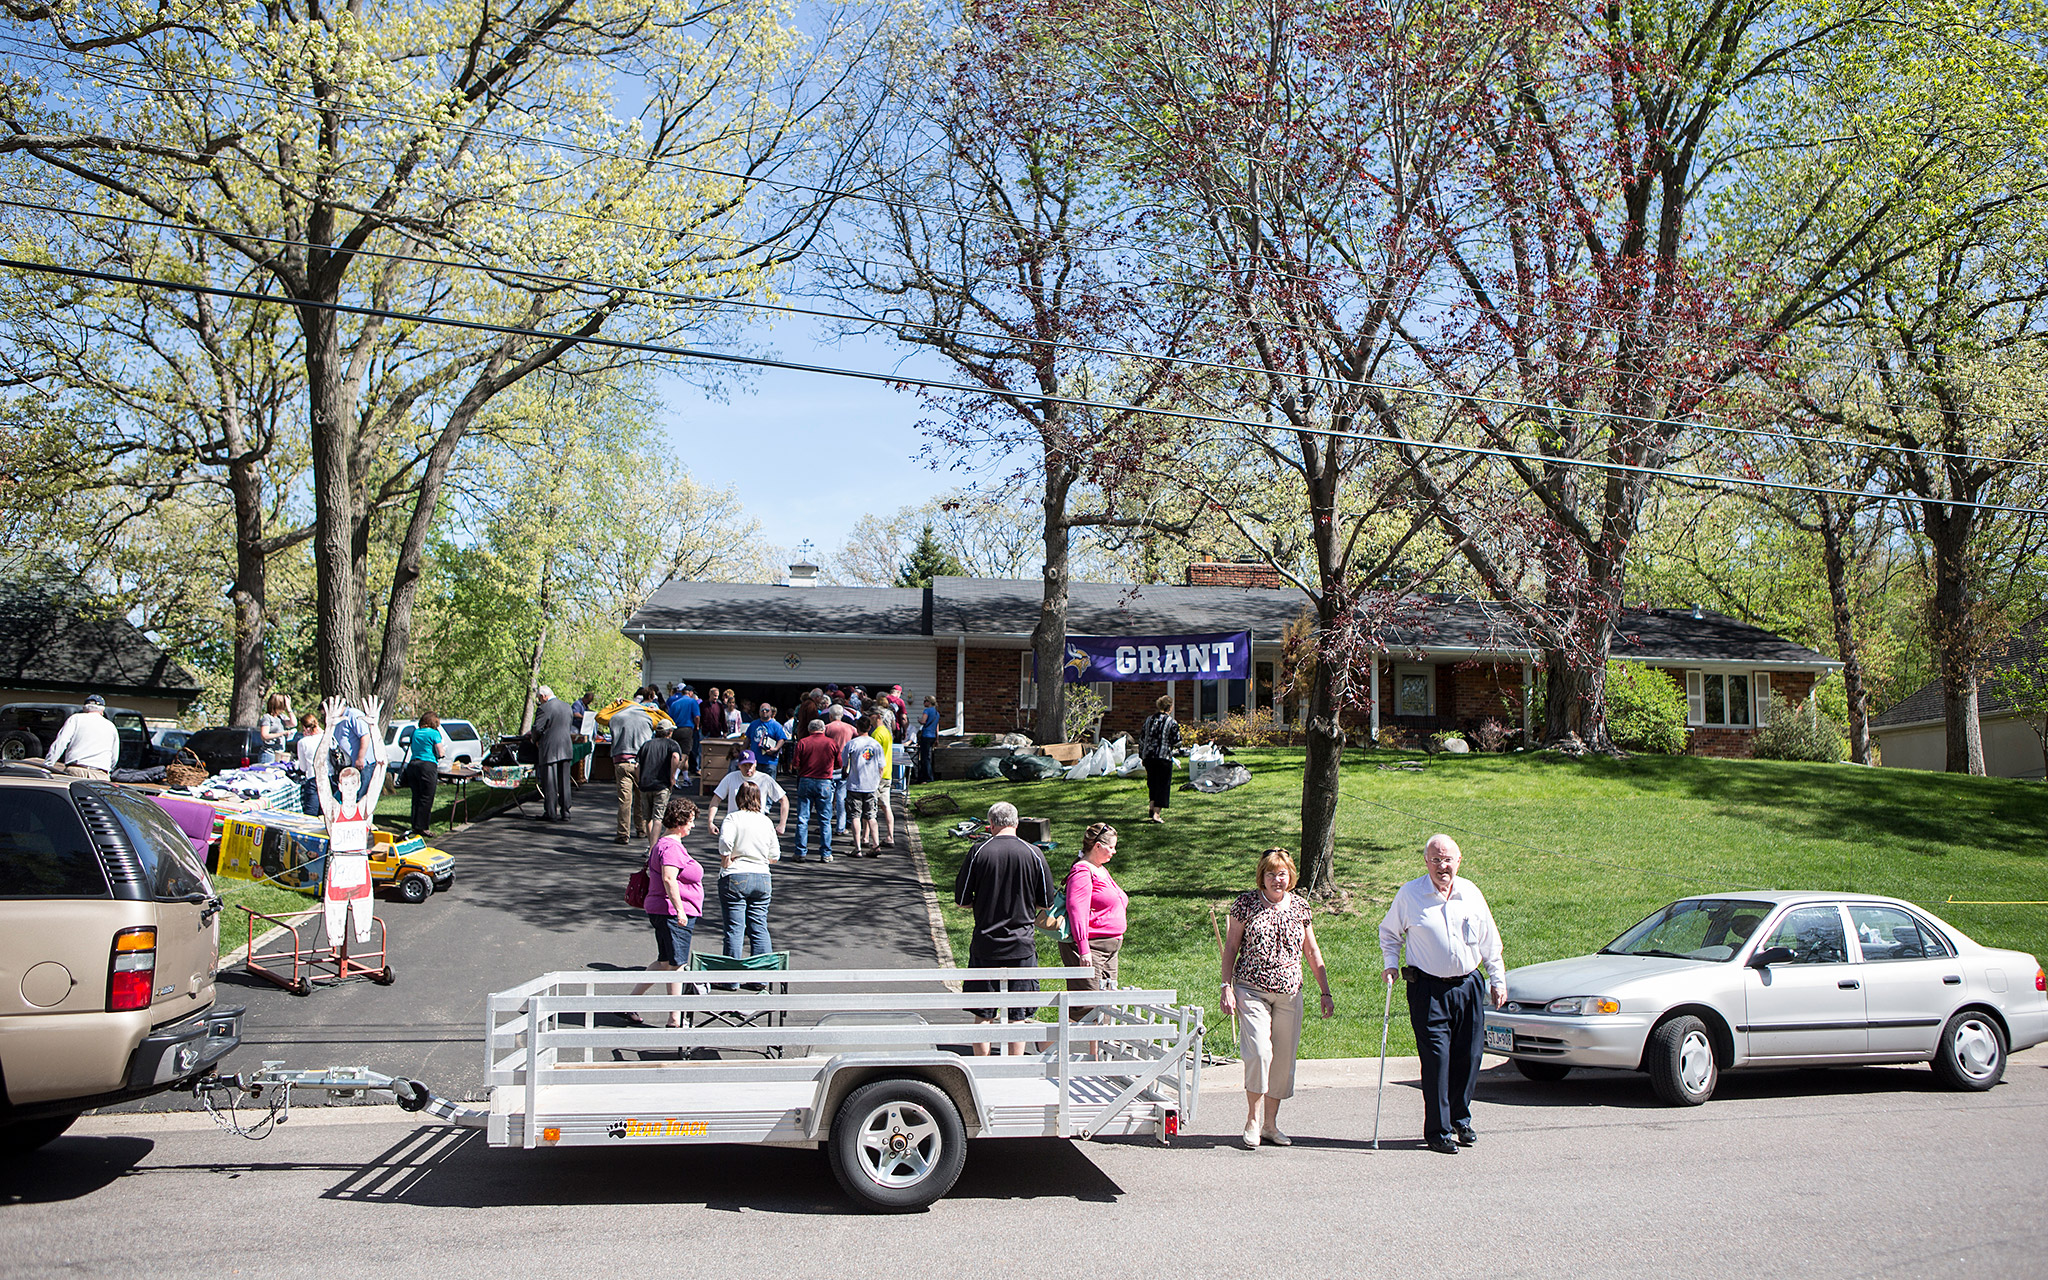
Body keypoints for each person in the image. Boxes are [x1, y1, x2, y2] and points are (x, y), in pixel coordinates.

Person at [1379, 834, 1507, 1155]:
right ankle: (1438, 1130)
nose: (1442, 866)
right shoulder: (1411, 894)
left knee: (1470, 1055)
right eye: (1435, 860)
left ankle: (1460, 1119)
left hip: (1468, 985)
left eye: (1447, 859)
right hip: (1428, 989)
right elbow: (1389, 933)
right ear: (1426, 862)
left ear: (1459, 861)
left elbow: (1490, 940)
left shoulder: (1471, 893)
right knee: (1437, 1059)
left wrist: (1497, 979)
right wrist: (1391, 964)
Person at [1221, 848, 1333, 1149]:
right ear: (1262, 876)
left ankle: (1270, 1125)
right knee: (1260, 1053)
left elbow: (1312, 951)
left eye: (1282, 873)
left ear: (1290, 876)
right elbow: (1231, 947)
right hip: (1251, 988)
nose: (1277, 879)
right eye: (1271, 873)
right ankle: (1253, 1120)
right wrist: (1226, 986)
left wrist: (1325, 991)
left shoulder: (1300, 907)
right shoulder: (1245, 904)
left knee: (1283, 1061)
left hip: (1289, 993)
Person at [953, 801, 1056, 1055]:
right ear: (1016, 823)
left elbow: (962, 900)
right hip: (1021, 946)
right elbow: (1046, 902)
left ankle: (983, 1067)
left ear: (990, 824)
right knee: (1017, 1015)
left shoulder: (979, 851)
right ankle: (1015, 1068)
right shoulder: (1033, 853)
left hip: (986, 944)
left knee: (983, 1014)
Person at [315, 697, 388, 948]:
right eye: (345, 783)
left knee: (363, 933)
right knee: (334, 935)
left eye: (353, 783)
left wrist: (373, 727)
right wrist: (328, 729)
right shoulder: (332, 810)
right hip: (338, 871)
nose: (349, 786)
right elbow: (318, 768)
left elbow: (381, 764)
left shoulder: (365, 809)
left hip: (360, 871)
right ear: (339, 785)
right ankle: (336, 953)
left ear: (358, 786)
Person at [629, 798, 704, 1027]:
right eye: (690, 821)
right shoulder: (670, 847)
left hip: (664, 910)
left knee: (664, 962)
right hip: (672, 913)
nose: (692, 825)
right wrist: (681, 910)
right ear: (680, 821)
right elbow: (669, 878)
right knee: (676, 964)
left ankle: (629, 1003)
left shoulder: (665, 844)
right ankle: (674, 1018)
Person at [716, 780, 779, 962]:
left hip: (736, 874)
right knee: (759, 926)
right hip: (762, 875)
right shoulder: (766, 821)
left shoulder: (732, 818)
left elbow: (725, 841)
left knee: (735, 928)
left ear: (738, 798)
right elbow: (775, 854)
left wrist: (726, 857)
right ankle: (760, 976)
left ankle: (732, 977)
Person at [1060, 823, 1129, 991]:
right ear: (1098, 846)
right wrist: (1084, 950)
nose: (1114, 851)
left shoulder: (1100, 869)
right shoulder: (1082, 872)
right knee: (1087, 1005)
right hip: (1092, 948)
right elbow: (1077, 911)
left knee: (1106, 1006)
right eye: (1111, 847)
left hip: (1109, 948)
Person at [789, 718, 839, 862]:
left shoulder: (803, 743)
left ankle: (800, 852)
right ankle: (826, 853)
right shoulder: (831, 743)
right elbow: (838, 764)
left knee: (803, 818)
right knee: (825, 820)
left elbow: (796, 765)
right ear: (823, 729)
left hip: (806, 780)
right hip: (824, 782)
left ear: (810, 729)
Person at [607, 695, 653, 844]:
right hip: (641, 763)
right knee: (641, 798)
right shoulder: (647, 718)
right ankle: (641, 829)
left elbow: (601, 716)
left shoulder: (616, 718)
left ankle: (623, 833)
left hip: (621, 760)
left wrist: (614, 704)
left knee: (624, 800)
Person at [708, 750, 788, 833]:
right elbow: (716, 799)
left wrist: (782, 824)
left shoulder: (765, 779)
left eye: (751, 765)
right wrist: (710, 822)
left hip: (757, 825)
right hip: (735, 824)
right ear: (739, 765)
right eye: (744, 765)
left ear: (755, 763)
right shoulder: (731, 778)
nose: (748, 768)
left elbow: (784, 799)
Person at [43, 694, 120, 779]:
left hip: (76, 770)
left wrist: (48, 764)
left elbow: (61, 742)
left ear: (84, 708)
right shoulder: (111, 726)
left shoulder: (76, 719)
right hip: (100, 774)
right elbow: (114, 757)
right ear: (102, 710)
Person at [529, 685, 575, 822]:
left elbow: (537, 728)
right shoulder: (567, 706)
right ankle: (566, 812)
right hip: (566, 747)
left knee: (550, 782)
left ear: (543, 697)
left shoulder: (544, 709)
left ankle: (551, 812)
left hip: (549, 749)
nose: (539, 701)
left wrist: (534, 740)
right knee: (564, 782)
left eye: (539, 698)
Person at [842, 716, 886, 857]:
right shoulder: (875, 745)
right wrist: (876, 781)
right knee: (872, 816)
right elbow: (881, 767)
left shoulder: (852, 744)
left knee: (855, 815)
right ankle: (876, 844)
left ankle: (858, 847)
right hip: (871, 785)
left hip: (855, 784)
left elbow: (844, 765)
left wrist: (846, 774)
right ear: (869, 727)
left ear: (857, 727)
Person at [634, 723, 684, 842]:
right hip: (661, 784)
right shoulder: (672, 744)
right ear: (670, 732)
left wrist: (639, 780)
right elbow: (676, 757)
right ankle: (653, 849)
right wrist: (673, 777)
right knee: (658, 817)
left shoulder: (647, 744)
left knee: (647, 818)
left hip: (645, 785)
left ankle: (650, 844)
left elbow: (636, 766)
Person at [404, 711, 449, 836]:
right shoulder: (434, 733)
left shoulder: (415, 732)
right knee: (426, 797)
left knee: (416, 796)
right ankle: (422, 827)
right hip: (427, 765)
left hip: (413, 765)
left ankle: (415, 825)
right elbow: (440, 752)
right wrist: (443, 754)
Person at [1139, 694, 1182, 824]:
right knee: (1163, 785)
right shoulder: (1171, 722)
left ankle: (1152, 806)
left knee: (1153, 783)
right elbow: (1177, 741)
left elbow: (1141, 739)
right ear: (1170, 707)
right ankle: (1156, 814)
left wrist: (1142, 755)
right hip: (1163, 757)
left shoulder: (1149, 720)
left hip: (1148, 757)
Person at [821, 706, 856, 836]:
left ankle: (826, 824)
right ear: (842, 715)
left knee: (828, 797)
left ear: (830, 716)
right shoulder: (850, 728)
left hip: (829, 765)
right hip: (845, 765)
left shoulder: (827, 728)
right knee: (842, 798)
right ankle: (840, 827)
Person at [868, 711, 897, 845]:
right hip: (887, 773)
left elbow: (870, 755)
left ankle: (866, 837)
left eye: (871, 716)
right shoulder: (886, 732)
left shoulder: (876, 734)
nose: (869, 719)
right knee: (886, 806)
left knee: (869, 807)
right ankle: (890, 836)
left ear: (878, 717)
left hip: (877, 774)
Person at [744, 703, 788, 777]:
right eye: (762, 710)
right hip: (755, 761)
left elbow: (782, 739)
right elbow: (747, 739)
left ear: (771, 712)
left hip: (770, 762)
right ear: (759, 712)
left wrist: (775, 748)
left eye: (767, 710)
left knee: (769, 786)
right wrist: (743, 751)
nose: (764, 712)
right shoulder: (753, 724)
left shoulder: (776, 725)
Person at [293, 711, 324, 813]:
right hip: (329, 776)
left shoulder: (303, 742)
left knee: (312, 811)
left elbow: (303, 767)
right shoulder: (326, 737)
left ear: (305, 728)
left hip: (313, 777)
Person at [258, 692, 293, 763]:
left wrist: (289, 707)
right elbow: (264, 736)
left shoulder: (281, 717)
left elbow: (293, 723)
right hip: (269, 754)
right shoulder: (267, 717)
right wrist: (281, 734)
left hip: (280, 754)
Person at [569, 688, 594, 784]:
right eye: (589, 700)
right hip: (575, 727)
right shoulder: (577, 704)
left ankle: (582, 775)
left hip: (583, 729)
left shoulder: (585, 706)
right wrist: (585, 717)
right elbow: (575, 714)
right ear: (585, 698)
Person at [916, 694, 940, 784]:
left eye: (925, 701)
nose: (924, 703)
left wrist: (919, 719)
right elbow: (937, 727)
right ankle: (927, 776)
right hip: (933, 736)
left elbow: (923, 721)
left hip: (926, 735)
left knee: (924, 758)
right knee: (928, 757)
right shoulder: (937, 713)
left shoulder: (927, 711)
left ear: (929, 702)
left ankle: (927, 778)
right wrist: (937, 739)